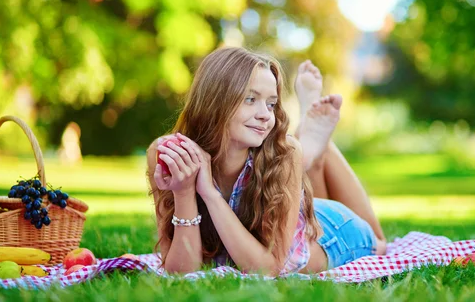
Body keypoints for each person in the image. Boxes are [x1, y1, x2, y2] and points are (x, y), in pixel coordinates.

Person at [146, 47, 386, 276]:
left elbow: (266, 270)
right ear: (214, 101)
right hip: (292, 210)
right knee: (297, 165)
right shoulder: (169, 154)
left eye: (271, 104)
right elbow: (181, 272)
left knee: (381, 244)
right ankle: (311, 152)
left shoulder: (283, 152)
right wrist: (185, 191)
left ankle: (314, 151)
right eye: (250, 99)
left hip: (333, 232)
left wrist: (209, 193)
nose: (265, 114)